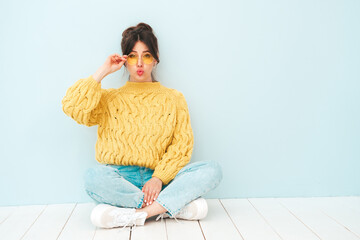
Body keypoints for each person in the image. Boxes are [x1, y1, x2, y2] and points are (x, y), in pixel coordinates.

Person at [61, 22, 223, 230]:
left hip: (160, 180)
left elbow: (181, 146)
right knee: (92, 177)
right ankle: (167, 208)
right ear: (124, 60)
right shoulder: (109, 99)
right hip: (120, 179)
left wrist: (158, 178)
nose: (139, 63)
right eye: (132, 56)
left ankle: (141, 214)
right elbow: (71, 106)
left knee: (212, 169)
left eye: (146, 56)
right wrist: (103, 71)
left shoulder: (174, 98)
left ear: (155, 60)